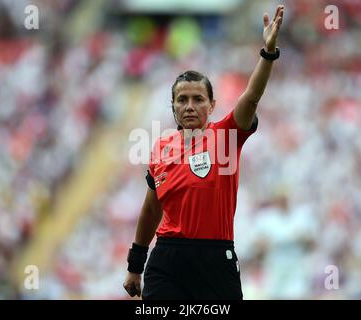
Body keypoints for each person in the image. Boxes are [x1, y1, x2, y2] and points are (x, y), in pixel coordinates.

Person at [123, 4, 285, 300]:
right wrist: (136, 264)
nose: (189, 106)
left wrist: (268, 54)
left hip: (215, 258)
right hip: (167, 261)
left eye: (198, 99)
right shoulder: (161, 148)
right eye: (182, 99)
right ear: (172, 106)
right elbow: (151, 209)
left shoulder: (226, 134)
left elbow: (251, 96)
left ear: (211, 105)